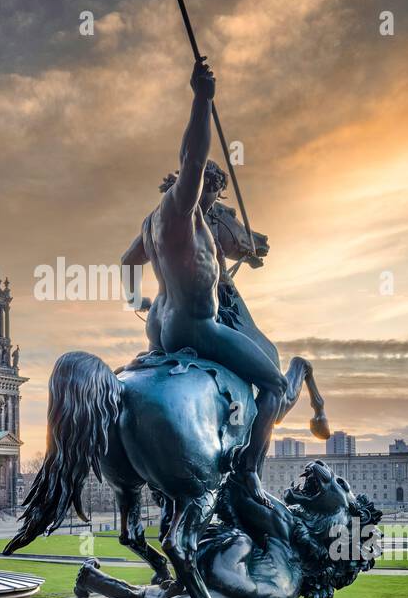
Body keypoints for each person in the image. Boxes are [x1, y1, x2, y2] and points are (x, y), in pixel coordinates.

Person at [122, 58, 301, 505]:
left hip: (159, 327)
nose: (215, 200)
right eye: (213, 193)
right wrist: (201, 99)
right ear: (198, 185)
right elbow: (193, 155)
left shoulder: (152, 223)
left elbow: (127, 260)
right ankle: (250, 478)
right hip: (194, 326)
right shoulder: (181, 208)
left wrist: (134, 300)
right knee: (277, 386)